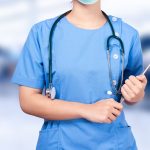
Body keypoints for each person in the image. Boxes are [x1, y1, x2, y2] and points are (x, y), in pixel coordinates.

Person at [11, 0, 147, 149]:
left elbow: (132, 95)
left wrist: (137, 95)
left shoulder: (127, 34)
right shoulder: (41, 33)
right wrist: (86, 110)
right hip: (60, 143)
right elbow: (28, 101)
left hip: (115, 143)